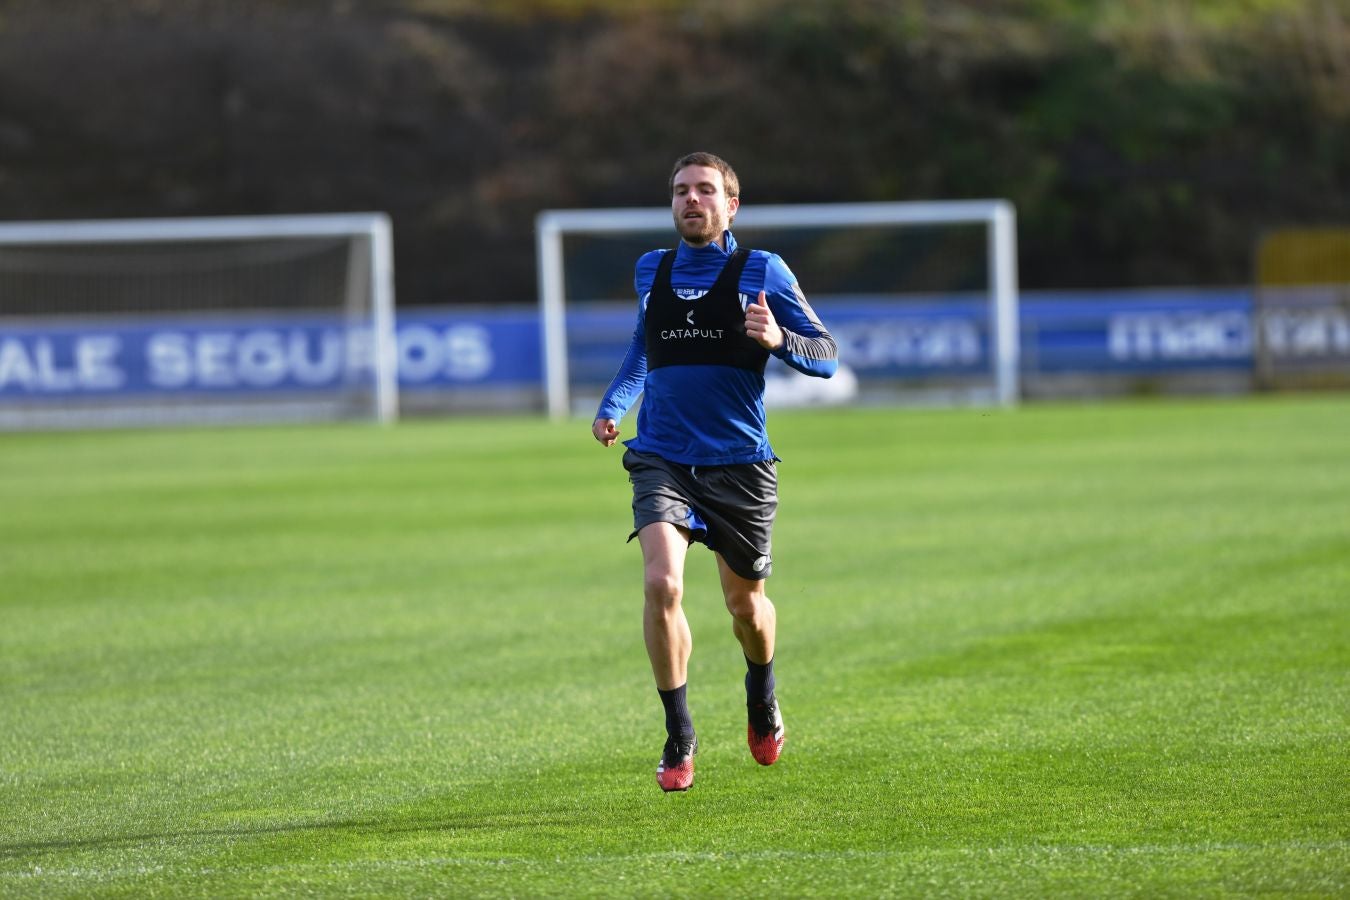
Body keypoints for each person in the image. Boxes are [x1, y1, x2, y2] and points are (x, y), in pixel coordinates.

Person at [591, 152, 839, 792]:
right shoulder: (654, 268)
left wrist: (776, 340)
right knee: (662, 584)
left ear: (732, 205)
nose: (691, 200)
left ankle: (762, 691)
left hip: (740, 466)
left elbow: (827, 355)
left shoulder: (763, 270)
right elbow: (643, 349)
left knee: (745, 608)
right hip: (662, 457)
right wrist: (614, 405)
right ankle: (679, 734)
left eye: (705, 190)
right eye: (680, 191)